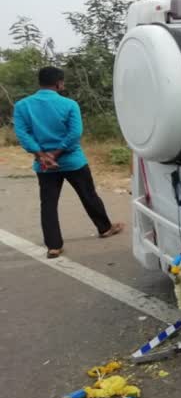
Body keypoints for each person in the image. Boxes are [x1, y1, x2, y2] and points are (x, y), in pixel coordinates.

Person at [13, 66, 123, 258]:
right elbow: (75, 134)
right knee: (88, 195)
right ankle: (105, 228)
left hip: (44, 166)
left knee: (48, 204)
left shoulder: (22, 106)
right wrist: (56, 154)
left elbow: (23, 134)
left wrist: (42, 156)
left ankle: (53, 246)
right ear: (59, 83)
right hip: (73, 161)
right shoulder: (70, 104)